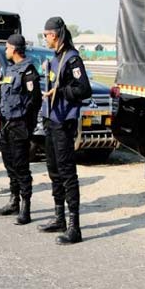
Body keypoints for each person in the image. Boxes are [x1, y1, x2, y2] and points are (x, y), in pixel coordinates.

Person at [38, 17, 93, 245]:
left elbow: (84, 89)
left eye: (46, 35)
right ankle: (59, 217)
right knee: (53, 170)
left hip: (64, 123)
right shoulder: (55, 58)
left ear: (56, 34)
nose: (45, 39)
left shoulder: (72, 59)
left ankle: (74, 227)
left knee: (67, 173)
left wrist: (60, 91)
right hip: (51, 121)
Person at [0, 34, 42, 225]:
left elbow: (34, 101)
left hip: (18, 125)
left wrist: (25, 125)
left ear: (14, 49)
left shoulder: (28, 72)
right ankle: (13, 200)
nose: (5, 51)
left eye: (7, 48)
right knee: (9, 163)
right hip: (5, 124)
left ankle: (25, 207)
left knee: (21, 167)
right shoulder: (10, 69)